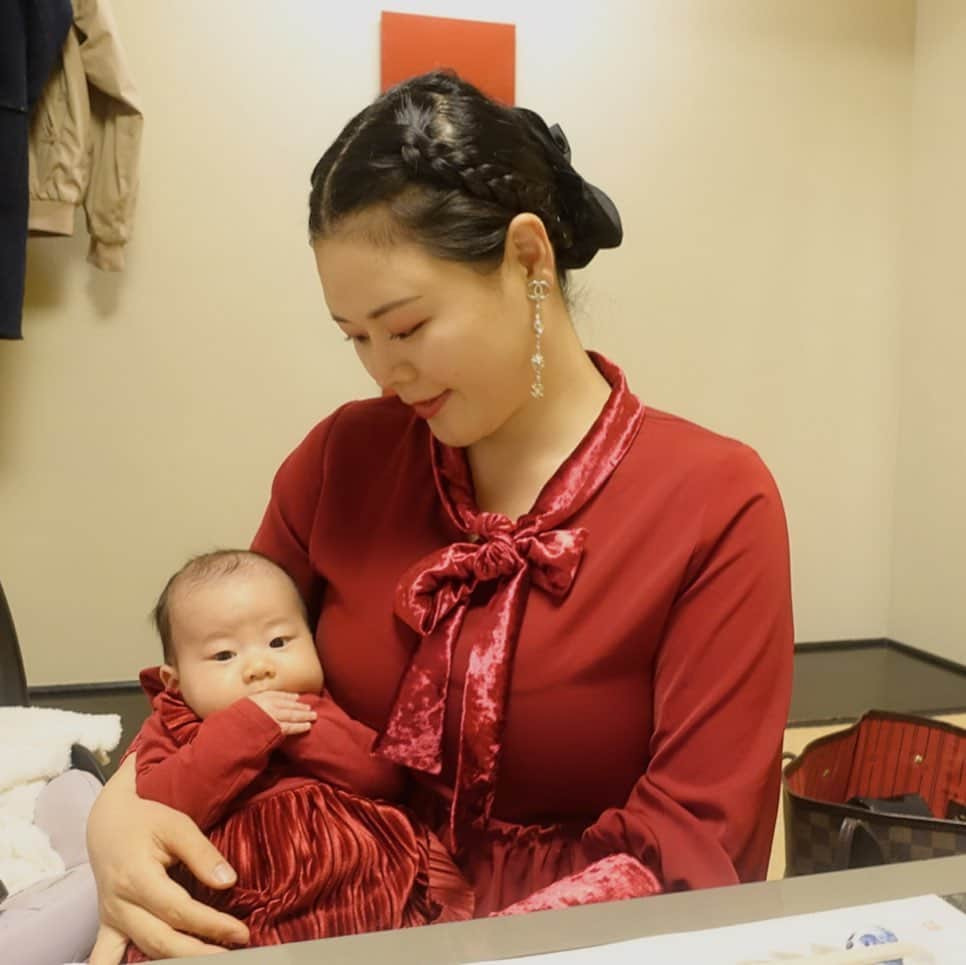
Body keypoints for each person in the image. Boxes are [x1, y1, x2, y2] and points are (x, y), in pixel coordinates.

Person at [87, 70, 794, 963]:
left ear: (530, 262)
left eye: (408, 326)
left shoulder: (715, 500)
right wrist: (117, 816)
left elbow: (700, 842)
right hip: (320, 906)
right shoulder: (345, 459)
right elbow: (214, 666)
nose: (383, 373)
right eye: (355, 336)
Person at [121, 549, 473, 961]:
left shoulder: (318, 704)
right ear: (175, 682)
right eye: (223, 655)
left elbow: (382, 778)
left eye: (278, 641)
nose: (259, 667)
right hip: (237, 898)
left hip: (357, 880)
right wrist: (242, 733)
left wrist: (299, 729)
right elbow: (162, 804)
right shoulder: (175, 725)